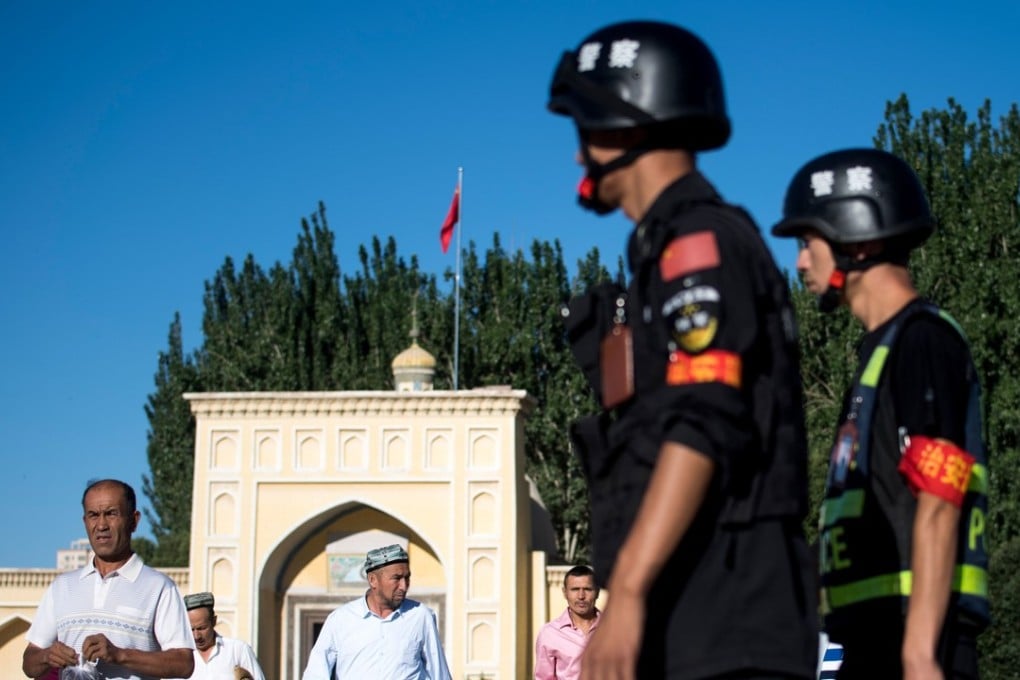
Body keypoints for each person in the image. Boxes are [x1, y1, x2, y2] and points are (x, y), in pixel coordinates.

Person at [550, 20, 818, 679]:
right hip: (697, 611)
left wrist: (631, 592)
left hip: (730, 617)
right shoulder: (665, 257)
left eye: (586, 130)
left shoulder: (698, 244)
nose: (579, 157)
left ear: (627, 120)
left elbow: (704, 419)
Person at [771, 147, 990, 679]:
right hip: (869, 635)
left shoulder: (922, 341)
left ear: (856, 239)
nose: (800, 261)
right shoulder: (879, 352)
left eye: (808, 242)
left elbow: (939, 497)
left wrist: (918, 657)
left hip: (914, 638)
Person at [21, 478, 195, 679]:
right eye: (93, 515)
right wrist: (46, 656)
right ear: (85, 522)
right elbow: (29, 664)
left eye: (111, 514)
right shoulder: (62, 586)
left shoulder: (159, 587)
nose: (101, 525)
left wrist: (120, 655)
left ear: (134, 521)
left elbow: (183, 663)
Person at [301, 543, 452, 679]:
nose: (404, 586)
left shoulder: (420, 616)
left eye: (407, 578)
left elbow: (439, 673)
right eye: (396, 578)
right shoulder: (340, 620)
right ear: (373, 580)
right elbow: (316, 673)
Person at [165, 591, 265, 680]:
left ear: (214, 621)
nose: (196, 636)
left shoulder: (238, 651)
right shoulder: (179, 658)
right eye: (191, 630)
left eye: (202, 628)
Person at [534, 565, 601, 680]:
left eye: (587, 589)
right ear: (565, 593)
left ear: (597, 592)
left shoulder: (613, 631)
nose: (581, 596)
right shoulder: (549, 634)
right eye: (575, 589)